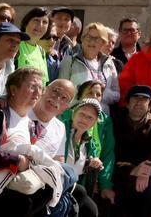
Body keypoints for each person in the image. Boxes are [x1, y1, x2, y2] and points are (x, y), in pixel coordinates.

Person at [0, 67, 56, 216]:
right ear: (13, 90)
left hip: (17, 191)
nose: (38, 92)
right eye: (33, 86)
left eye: (41, 88)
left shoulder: (34, 127)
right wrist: (16, 159)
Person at [112, 84, 151, 217]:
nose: (138, 102)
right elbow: (111, 153)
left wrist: (146, 168)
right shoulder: (115, 122)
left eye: (144, 99)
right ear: (127, 104)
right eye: (134, 98)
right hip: (120, 172)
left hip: (146, 177)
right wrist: (132, 169)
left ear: (150, 105)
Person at [63, 80, 117, 208]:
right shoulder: (65, 120)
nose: (94, 97)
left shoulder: (104, 121)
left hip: (88, 177)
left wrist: (104, 184)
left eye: (98, 94)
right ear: (80, 96)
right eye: (90, 93)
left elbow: (107, 154)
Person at [30, 78, 77, 217]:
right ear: (44, 90)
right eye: (55, 91)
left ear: (66, 107)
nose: (57, 98)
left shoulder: (60, 127)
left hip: (45, 178)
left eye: (64, 98)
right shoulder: (24, 109)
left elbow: (59, 159)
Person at [62, 21, 121, 113]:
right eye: (88, 37)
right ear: (82, 39)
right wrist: (86, 94)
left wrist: (99, 94)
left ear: (103, 42)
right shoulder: (69, 62)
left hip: (101, 119)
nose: (91, 41)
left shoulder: (109, 63)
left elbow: (117, 94)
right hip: (75, 116)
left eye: (96, 38)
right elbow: (62, 91)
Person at [62, 97, 106, 217]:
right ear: (74, 113)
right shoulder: (61, 130)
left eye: (90, 117)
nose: (84, 119)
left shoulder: (89, 143)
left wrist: (92, 163)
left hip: (73, 188)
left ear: (95, 122)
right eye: (82, 113)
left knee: (91, 210)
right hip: (57, 184)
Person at [17, 7, 53, 84]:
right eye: (36, 20)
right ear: (26, 22)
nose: (40, 25)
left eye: (45, 22)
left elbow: (43, 83)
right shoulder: (16, 45)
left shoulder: (41, 51)